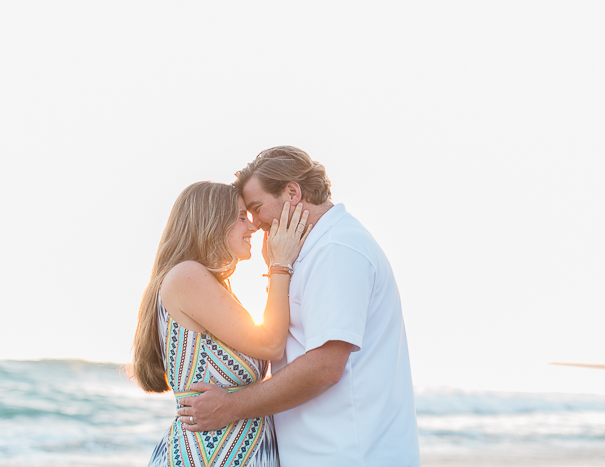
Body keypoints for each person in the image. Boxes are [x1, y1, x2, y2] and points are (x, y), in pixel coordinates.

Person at [177, 147, 421, 467]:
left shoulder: (336, 249)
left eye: (257, 207)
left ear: (292, 192)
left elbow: (325, 366)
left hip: (350, 455)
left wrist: (230, 407)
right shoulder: (316, 250)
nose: (255, 223)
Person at [130, 181, 311, 467]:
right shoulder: (187, 276)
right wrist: (279, 265)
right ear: (212, 221)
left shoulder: (212, 286)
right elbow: (271, 343)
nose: (252, 227)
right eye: (241, 217)